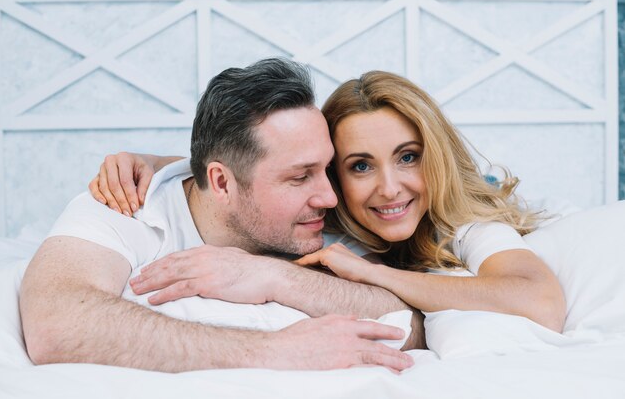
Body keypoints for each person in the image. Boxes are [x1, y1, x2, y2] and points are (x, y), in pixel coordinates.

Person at [19, 59, 419, 374]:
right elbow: (55, 323)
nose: (330, 196)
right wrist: (275, 351)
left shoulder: (322, 215)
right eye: (300, 176)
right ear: (222, 183)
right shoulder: (128, 201)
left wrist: (272, 275)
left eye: (326, 168)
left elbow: (409, 325)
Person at [94, 71, 566, 333]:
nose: (389, 188)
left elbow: (539, 301)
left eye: (408, 157)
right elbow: (255, 172)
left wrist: (375, 274)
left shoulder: (459, 218)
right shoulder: (329, 204)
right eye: (360, 165)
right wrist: (151, 161)